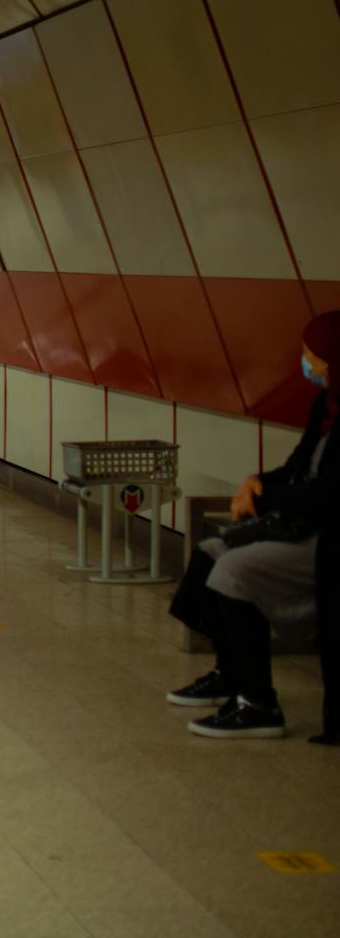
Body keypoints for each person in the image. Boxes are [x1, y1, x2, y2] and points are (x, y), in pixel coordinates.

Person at [167, 311, 337, 741]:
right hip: (301, 522)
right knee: (211, 553)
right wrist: (258, 481)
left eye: (312, 355)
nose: (306, 363)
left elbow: (331, 493)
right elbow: (300, 467)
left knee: (234, 572)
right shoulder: (326, 406)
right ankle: (230, 673)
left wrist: (264, 500)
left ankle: (258, 703)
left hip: (326, 535)